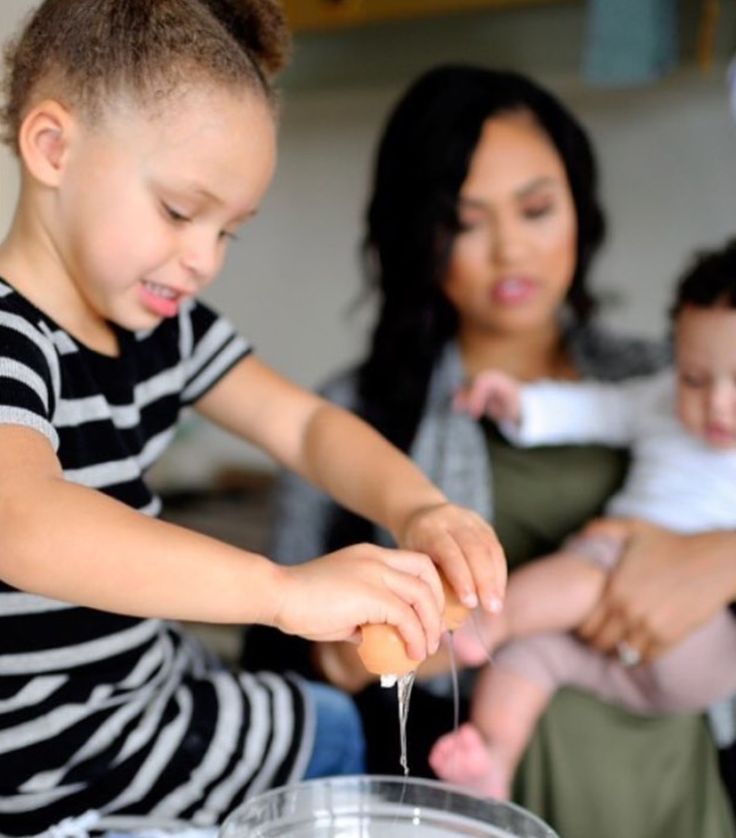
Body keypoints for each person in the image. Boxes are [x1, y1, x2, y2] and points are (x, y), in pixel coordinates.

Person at [0, 5, 507, 834]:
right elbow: (21, 522)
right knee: (349, 738)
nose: (204, 259)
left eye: (228, 230)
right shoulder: (9, 339)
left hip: (151, 714)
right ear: (53, 148)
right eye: (178, 211)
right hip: (51, 776)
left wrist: (420, 507)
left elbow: (305, 427)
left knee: (350, 729)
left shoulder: (164, 328)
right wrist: (282, 593)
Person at [248, 64, 736, 837]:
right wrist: (347, 658)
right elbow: (275, 667)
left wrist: (721, 559)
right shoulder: (356, 414)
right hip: (473, 796)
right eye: (467, 222)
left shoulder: (672, 382)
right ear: (418, 236)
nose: (511, 249)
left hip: (668, 784)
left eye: (537, 208)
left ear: (580, 206)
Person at [429, 238, 736, 799]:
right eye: (695, 378)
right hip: (602, 653)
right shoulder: (658, 401)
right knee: (525, 659)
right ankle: (492, 763)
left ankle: (493, 617)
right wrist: (519, 403)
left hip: (702, 644)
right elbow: (596, 407)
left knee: (587, 565)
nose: (718, 403)